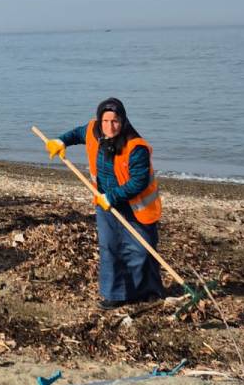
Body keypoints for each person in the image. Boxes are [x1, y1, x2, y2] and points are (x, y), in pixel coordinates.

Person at [47, 97, 163, 308]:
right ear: (100, 121)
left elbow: (138, 181)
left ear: (123, 121)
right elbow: (77, 134)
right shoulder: (93, 130)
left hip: (135, 206)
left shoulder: (136, 147)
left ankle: (148, 291)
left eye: (115, 121)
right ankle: (116, 295)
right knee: (110, 247)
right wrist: (61, 141)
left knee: (142, 250)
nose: (110, 127)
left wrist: (112, 197)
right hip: (104, 203)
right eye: (106, 121)